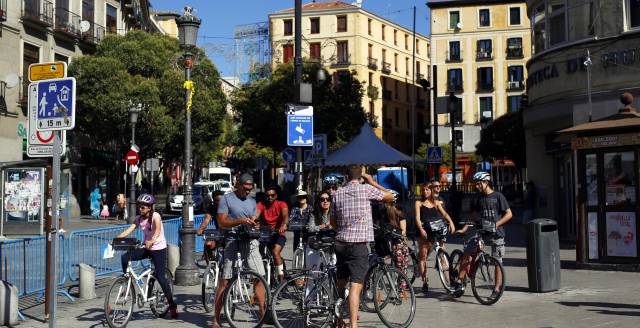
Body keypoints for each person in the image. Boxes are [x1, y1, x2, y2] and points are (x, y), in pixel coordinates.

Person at [330, 165, 394, 328]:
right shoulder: (366, 189)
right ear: (360, 177)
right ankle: (353, 325)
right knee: (356, 287)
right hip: (358, 245)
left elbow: (333, 221)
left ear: (346, 175)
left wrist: (343, 230)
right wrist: (372, 181)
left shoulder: (338, 193)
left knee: (341, 282)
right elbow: (390, 196)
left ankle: (338, 321)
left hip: (340, 243)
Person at [212, 174, 266, 328]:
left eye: (250, 189)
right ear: (238, 185)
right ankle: (216, 318)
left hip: (249, 240)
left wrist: (256, 225)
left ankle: (262, 315)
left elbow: (254, 220)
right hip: (232, 240)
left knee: (259, 277)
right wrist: (240, 221)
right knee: (225, 279)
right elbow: (222, 222)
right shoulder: (226, 199)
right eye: (245, 189)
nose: (248, 192)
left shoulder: (251, 200)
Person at [116, 194, 178, 319]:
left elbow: (158, 231)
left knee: (160, 277)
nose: (140, 209)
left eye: (143, 207)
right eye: (139, 206)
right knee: (124, 257)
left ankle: (172, 305)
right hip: (147, 248)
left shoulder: (156, 216)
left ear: (149, 207)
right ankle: (126, 280)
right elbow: (130, 229)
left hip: (159, 249)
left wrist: (152, 240)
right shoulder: (139, 219)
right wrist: (117, 239)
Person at [454, 171, 512, 297]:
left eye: (479, 183)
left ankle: (496, 289)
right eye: (476, 183)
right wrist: (464, 229)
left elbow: (509, 214)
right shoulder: (477, 198)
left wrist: (497, 224)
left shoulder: (498, 196)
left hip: (497, 234)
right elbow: (473, 217)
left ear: (486, 182)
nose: (477, 186)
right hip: (481, 233)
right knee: (467, 252)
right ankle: (460, 280)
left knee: (497, 261)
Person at [414, 182, 455, 293]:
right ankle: (425, 281)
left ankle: (449, 282)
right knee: (423, 257)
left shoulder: (436, 202)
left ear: (431, 190)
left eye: (427, 190)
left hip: (436, 231)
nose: (425, 192)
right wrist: (421, 229)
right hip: (424, 233)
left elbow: (445, 214)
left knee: (443, 256)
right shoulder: (419, 203)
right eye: (423, 190)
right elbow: (417, 218)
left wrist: (451, 222)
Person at [256, 185, 289, 282]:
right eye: (267, 195)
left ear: (276, 196)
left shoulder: (281, 204)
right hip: (265, 233)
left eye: (272, 195)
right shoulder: (261, 204)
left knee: (275, 252)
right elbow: (256, 214)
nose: (270, 197)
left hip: (278, 233)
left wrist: (284, 224)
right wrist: (253, 221)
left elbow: (285, 215)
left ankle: (281, 279)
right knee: (259, 254)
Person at [306, 191, 335, 270]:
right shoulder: (314, 214)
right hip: (316, 245)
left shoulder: (334, 213)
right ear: (319, 201)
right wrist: (326, 225)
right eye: (322, 199)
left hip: (331, 246)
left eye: (327, 199)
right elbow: (310, 228)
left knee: (330, 271)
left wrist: (320, 227)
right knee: (313, 271)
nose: (325, 201)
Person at [196, 190, 225, 259]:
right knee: (208, 244)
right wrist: (201, 229)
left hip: (231, 232)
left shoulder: (230, 207)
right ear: (214, 201)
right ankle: (212, 262)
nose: (221, 203)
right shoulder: (212, 208)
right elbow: (206, 219)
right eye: (218, 200)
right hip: (219, 231)